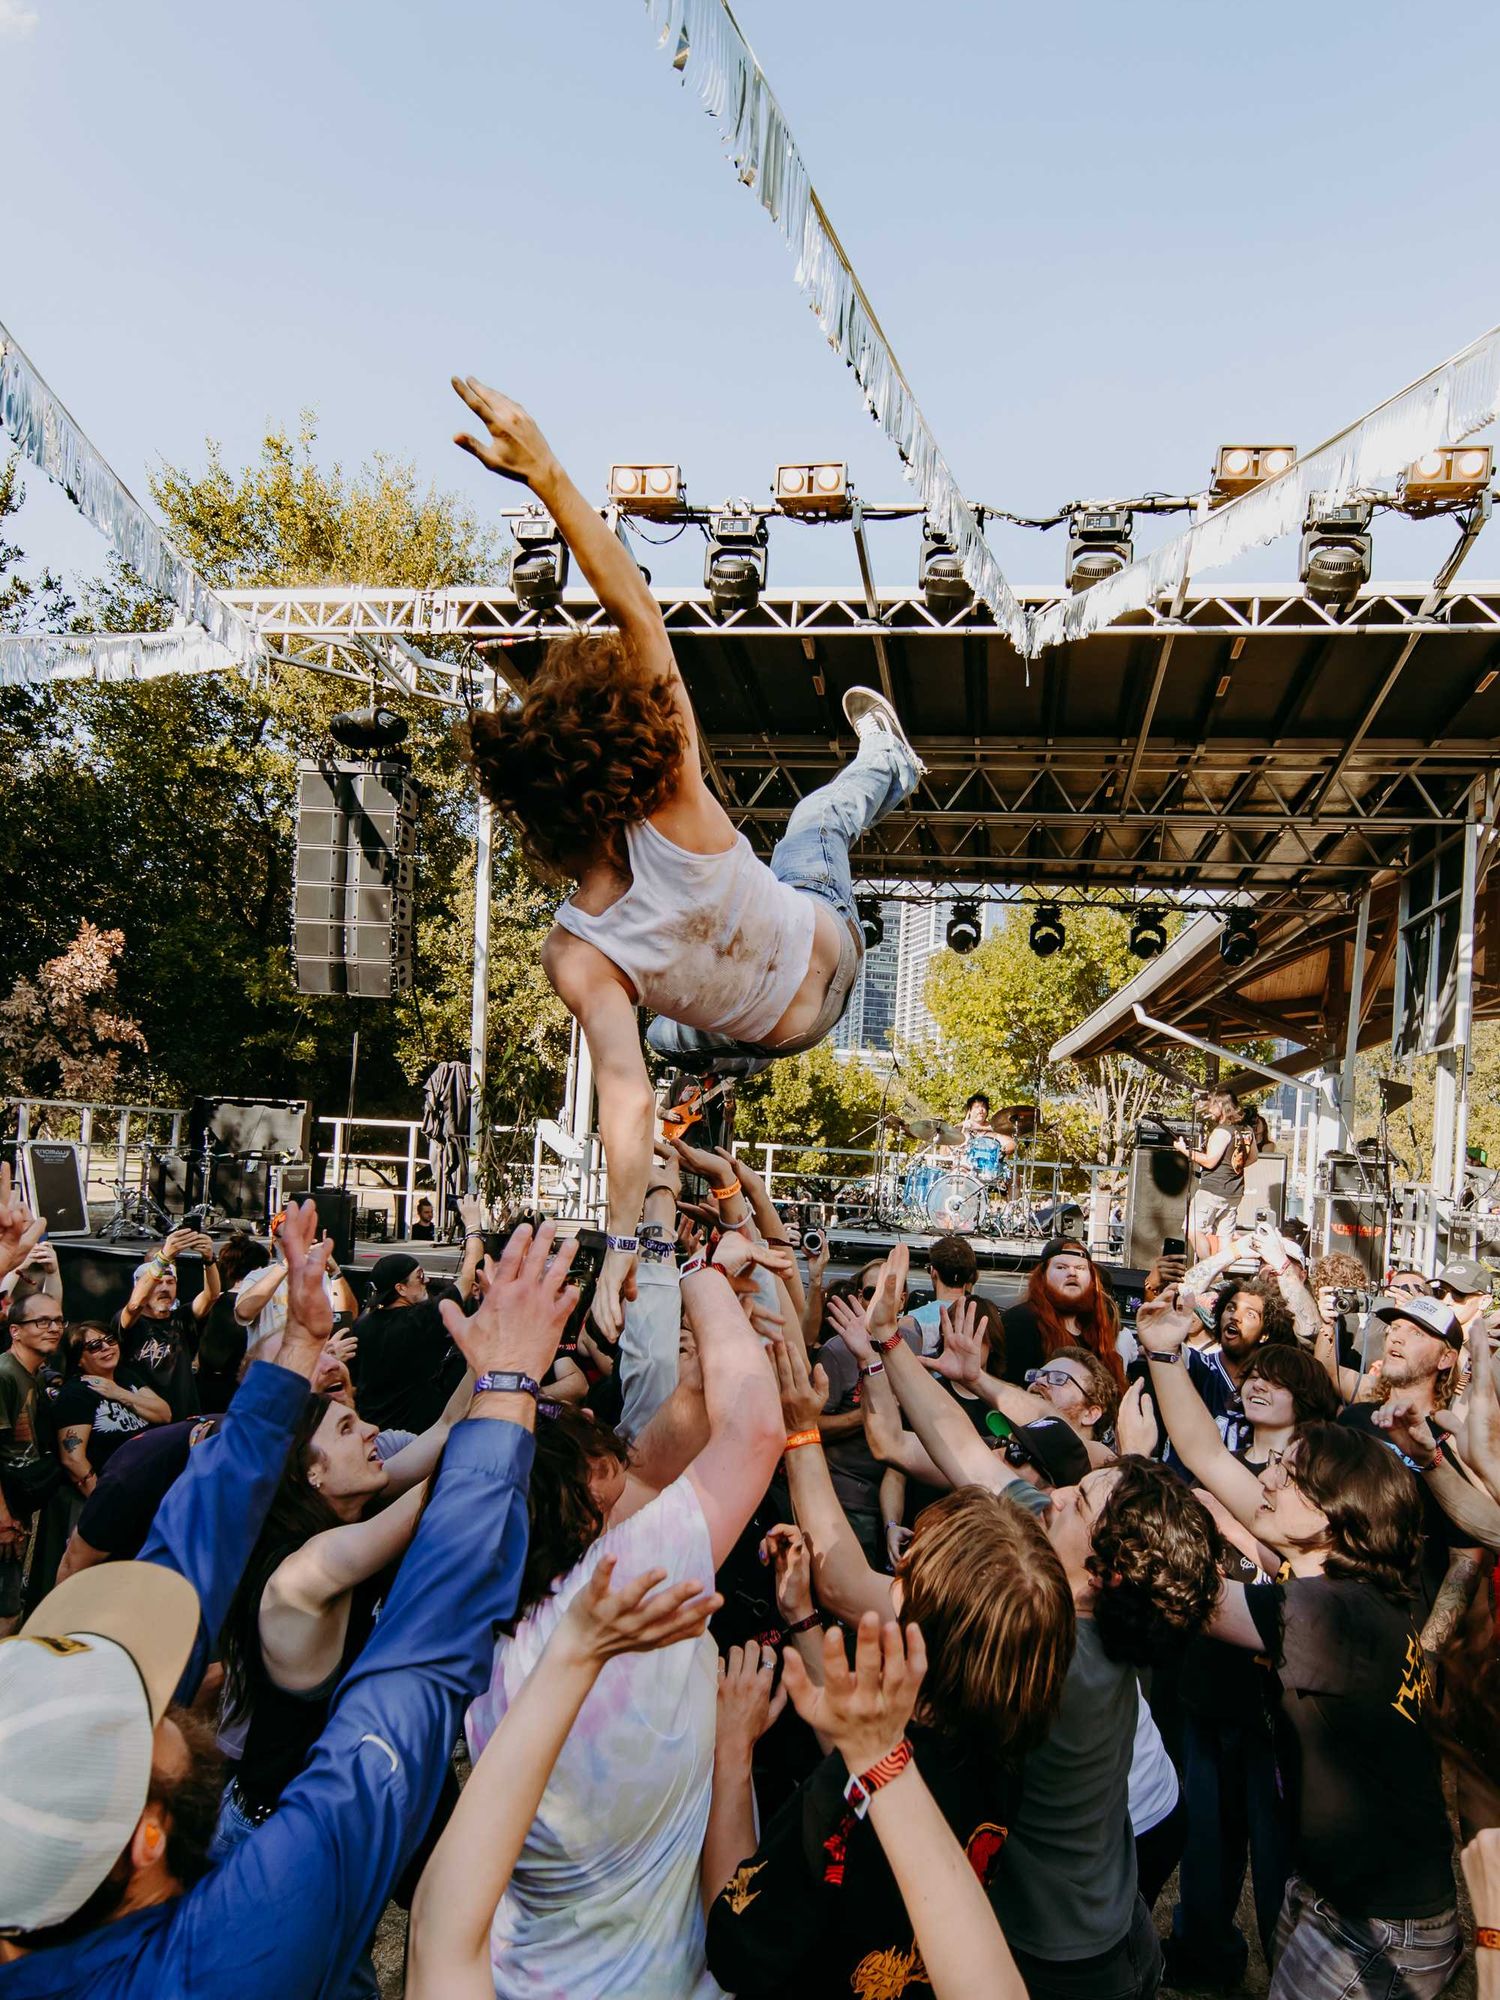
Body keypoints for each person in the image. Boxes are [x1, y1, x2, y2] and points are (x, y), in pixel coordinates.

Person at [0, 1201, 578, 2000]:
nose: (162, 1691)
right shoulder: (231, 1953)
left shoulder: (36, 1903)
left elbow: (182, 1557)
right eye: (139, 1712)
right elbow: (407, 1684)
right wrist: (510, 1391)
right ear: (146, 1839)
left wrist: (291, 1356)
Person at [451, 379, 923, 1338]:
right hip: (826, 952)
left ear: (536, 818)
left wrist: (624, 1243)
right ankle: (889, 761)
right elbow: (639, 609)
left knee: (648, 1045)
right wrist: (547, 473)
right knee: (808, 829)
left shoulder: (576, 951)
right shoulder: (669, 783)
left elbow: (619, 1099)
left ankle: (701, 1079)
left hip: (777, 1033)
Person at [784, 1249, 1220, 2000]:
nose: (1057, 1499)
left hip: (1054, 1960)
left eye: (1081, 1502)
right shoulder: (1082, 1579)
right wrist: (891, 1344)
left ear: (1106, 1569)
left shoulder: (1034, 1633)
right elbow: (965, 1455)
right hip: (1114, 1919)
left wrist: (797, 1433)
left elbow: (847, 1582)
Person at [464, 1229, 786, 1999]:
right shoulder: (622, 1588)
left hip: (533, 1977)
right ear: (585, 1511)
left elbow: (651, 1472)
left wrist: (702, 1379)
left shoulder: (480, 1621)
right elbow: (757, 1432)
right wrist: (709, 1275)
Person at [1141, 1291, 1463, 2000]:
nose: (1268, 1478)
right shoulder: (1350, 1583)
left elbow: (1178, 1589)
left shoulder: (1331, 1615)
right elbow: (1199, 1450)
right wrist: (1165, 1351)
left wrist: (1117, 1491)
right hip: (1334, 1892)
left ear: (1329, 1513)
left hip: (1381, 1925)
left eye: (1289, 1474)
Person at [703, 1502, 1070, 2000]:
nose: (898, 1567)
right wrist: (802, 1616)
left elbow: (733, 1947)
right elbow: (862, 1752)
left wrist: (731, 1753)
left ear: (922, 1635)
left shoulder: (837, 1805)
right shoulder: (1000, 1746)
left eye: (910, 1569)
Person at [351, 1227, 485, 1434]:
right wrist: (473, 1228)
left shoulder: (361, 1325)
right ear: (400, 1289)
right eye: (419, 1276)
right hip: (414, 1435)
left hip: (375, 1431)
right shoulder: (420, 1320)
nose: (427, 1281)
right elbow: (468, 1277)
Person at [0, 1286, 67, 1633]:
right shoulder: (5, 1374)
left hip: (17, 1506)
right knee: (6, 1610)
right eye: (42, 1322)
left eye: (57, 1321)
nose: (53, 1327)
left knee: (10, 1603)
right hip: (4, 1511)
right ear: (16, 1330)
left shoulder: (34, 1375)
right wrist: (4, 1518)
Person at [52, 1321, 171, 1503]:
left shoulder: (125, 1377)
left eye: (110, 1340)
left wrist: (118, 1392)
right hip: (113, 1493)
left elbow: (164, 1414)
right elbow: (72, 1459)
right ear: (78, 1359)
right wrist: (103, 1505)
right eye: (94, 1346)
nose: (106, 1347)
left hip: (148, 1487)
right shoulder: (76, 1394)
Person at [112, 1227, 222, 1420]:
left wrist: (208, 1259)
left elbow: (211, 1295)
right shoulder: (129, 1322)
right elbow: (135, 1304)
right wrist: (162, 1258)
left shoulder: (183, 1317)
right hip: (144, 1419)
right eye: (158, 1282)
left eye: (170, 1282)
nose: (164, 1288)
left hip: (185, 1418)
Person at [998, 1236, 1125, 1390]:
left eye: (1080, 1268)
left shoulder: (1095, 1327)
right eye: (1061, 1267)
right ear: (1043, 1277)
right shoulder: (1021, 1322)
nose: (1072, 1273)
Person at [1175, 1091, 1257, 1257]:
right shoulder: (1247, 1130)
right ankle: (1220, 1277)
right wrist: (1233, 1169)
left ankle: (1208, 1266)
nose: (1209, 1110)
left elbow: (1209, 1161)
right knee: (1224, 1237)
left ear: (1220, 1105)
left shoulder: (1222, 1131)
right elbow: (1253, 1157)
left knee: (1192, 1229)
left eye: (1211, 1105)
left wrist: (1184, 1150)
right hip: (1234, 1192)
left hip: (1213, 1189)